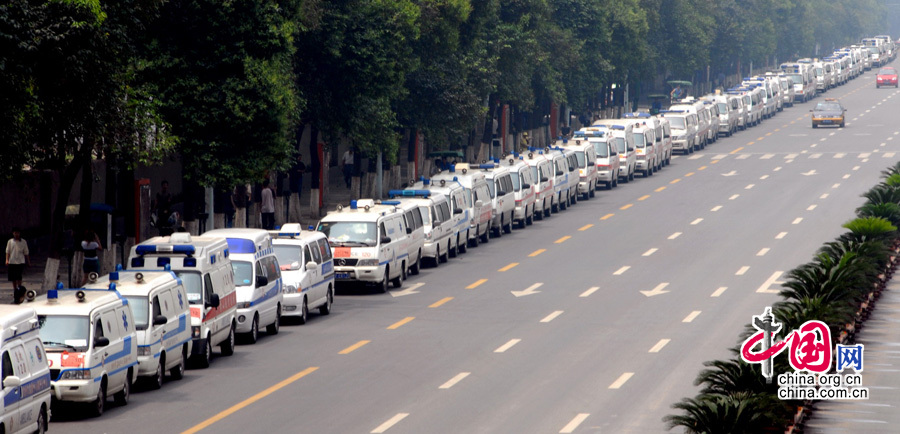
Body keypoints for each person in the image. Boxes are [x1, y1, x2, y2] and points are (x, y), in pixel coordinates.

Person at [6, 228, 29, 303]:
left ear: (20, 233)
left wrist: (28, 262)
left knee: (19, 277)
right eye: (15, 233)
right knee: (13, 278)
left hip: (20, 262)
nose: (16, 234)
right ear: (13, 233)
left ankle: (19, 289)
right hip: (12, 262)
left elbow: (26, 252)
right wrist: (7, 260)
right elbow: (7, 251)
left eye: (18, 233)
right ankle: (15, 290)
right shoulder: (10, 242)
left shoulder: (23, 242)